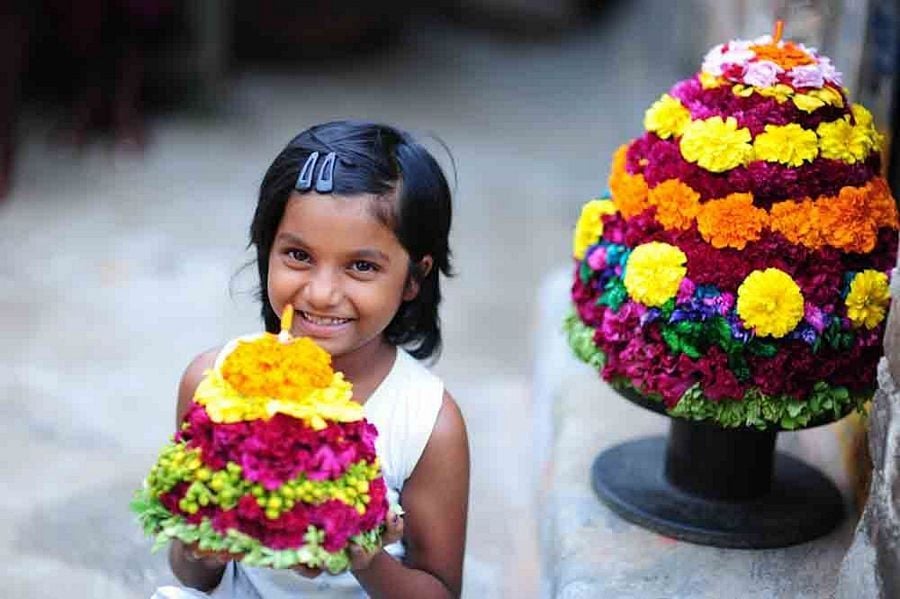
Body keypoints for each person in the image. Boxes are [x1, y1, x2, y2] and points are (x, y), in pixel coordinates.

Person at [152, 120, 469, 598]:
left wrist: (361, 552)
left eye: (362, 266)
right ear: (267, 251)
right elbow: (190, 574)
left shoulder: (428, 424)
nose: (321, 294)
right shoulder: (213, 384)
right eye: (298, 255)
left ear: (412, 278)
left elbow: (441, 591)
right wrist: (207, 542)